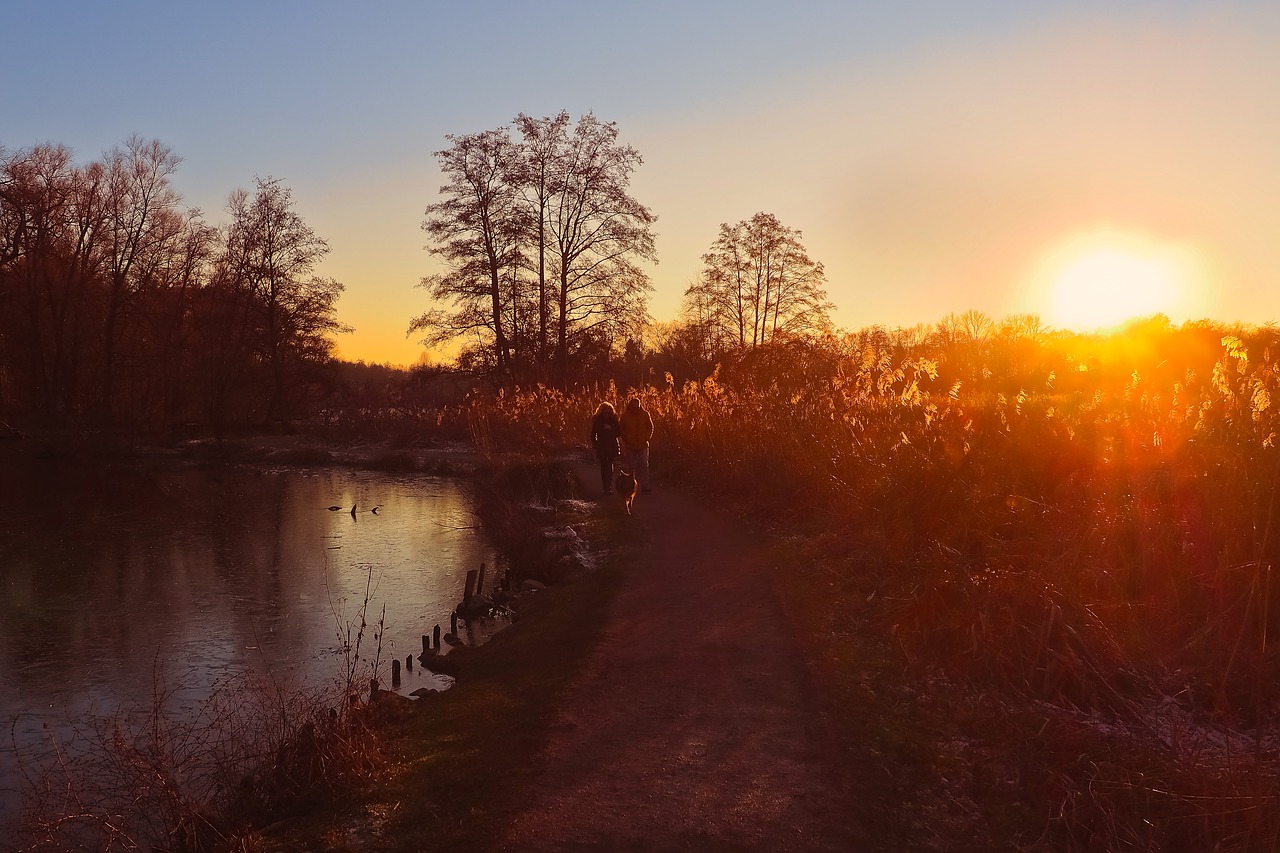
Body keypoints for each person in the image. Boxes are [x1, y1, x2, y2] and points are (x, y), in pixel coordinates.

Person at [618, 396, 654, 493]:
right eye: (634, 408)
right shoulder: (625, 416)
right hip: (630, 445)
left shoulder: (645, 414)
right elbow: (621, 429)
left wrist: (646, 438)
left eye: (637, 407)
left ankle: (644, 486)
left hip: (643, 444)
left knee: (644, 464)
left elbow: (650, 427)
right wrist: (626, 439)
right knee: (630, 466)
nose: (636, 409)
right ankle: (629, 485)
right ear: (630, 406)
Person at [589, 401, 621, 494]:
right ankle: (605, 486)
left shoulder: (614, 420)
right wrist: (595, 445)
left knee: (610, 465)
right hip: (601, 445)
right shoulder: (597, 420)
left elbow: (619, 433)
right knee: (603, 466)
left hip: (612, 445)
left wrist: (611, 429)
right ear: (601, 412)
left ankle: (609, 486)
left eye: (609, 412)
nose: (607, 414)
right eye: (605, 413)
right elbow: (593, 434)